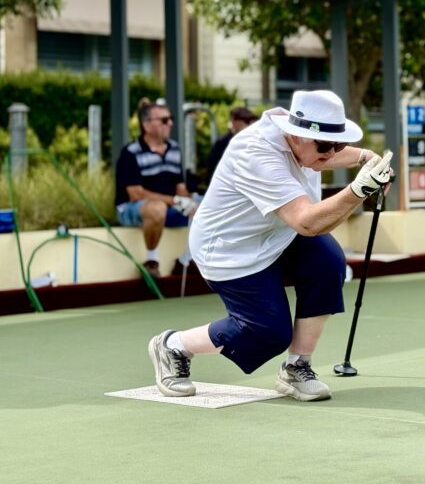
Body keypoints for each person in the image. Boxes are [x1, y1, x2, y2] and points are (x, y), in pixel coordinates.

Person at [147, 89, 393, 402]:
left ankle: (296, 367)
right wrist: (359, 189)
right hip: (229, 251)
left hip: (276, 234)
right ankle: (173, 345)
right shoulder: (257, 154)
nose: (332, 154)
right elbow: (307, 222)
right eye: (325, 146)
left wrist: (365, 158)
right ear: (297, 136)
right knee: (269, 332)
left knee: (328, 261)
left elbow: (326, 161)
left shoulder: (306, 144)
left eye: (339, 144)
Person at [115, 98, 199, 279]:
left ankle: (188, 259)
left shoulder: (175, 149)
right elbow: (135, 194)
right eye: (163, 120)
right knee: (156, 208)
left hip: (168, 209)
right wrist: (174, 200)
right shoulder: (130, 153)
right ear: (146, 125)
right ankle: (151, 261)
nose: (170, 123)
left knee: (207, 204)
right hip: (132, 209)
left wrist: (190, 199)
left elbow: (180, 187)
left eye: (170, 119)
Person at [204, 106, 259, 184]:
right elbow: (212, 170)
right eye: (247, 121)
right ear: (235, 121)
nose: (249, 125)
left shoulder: (254, 142)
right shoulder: (222, 144)